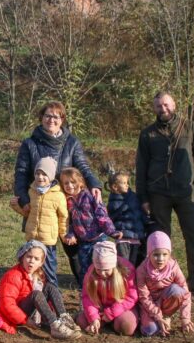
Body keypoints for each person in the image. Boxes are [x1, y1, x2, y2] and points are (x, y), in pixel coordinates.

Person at [135, 92, 194, 295]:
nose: (163, 109)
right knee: (160, 239)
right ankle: (161, 279)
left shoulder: (190, 127)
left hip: (185, 192)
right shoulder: (147, 134)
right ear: (154, 109)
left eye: (166, 105)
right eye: (159, 106)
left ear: (174, 104)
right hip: (157, 193)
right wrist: (143, 198)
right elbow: (141, 167)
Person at [14, 101, 103, 283]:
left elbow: (83, 167)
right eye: (48, 115)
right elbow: (21, 173)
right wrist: (24, 200)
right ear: (41, 118)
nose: (51, 120)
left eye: (56, 116)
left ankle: (84, 286)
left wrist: (94, 183)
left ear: (62, 119)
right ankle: (43, 291)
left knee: (74, 248)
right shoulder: (30, 144)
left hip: (69, 203)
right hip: (41, 204)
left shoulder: (72, 142)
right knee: (42, 250)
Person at [0, 240, 82, 340]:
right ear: (22, 257)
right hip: (19, 314)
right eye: (29, 257)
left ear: (41, 262)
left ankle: (64, 318)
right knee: (36, 294)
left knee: (50, 287)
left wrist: (49, 312)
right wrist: (25, 320)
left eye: (36, 259)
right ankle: (55, 326)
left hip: (31, 309)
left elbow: (44, 299)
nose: (31, 261)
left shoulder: (38, 275)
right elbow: (7, 304)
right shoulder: (13, 276)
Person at [9, 157, 68, 287]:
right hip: (32, 238)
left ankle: (53, 295)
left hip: (47, 240)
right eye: (37, 173)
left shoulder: (58, 195)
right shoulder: (32, 191)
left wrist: (63, 234)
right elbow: (27, 213)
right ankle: (35, 295)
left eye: (44, 174)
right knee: (32, 270)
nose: (40, 177)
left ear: (51, 177)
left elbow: (63, 217)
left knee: (49, 270)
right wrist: (16, 207)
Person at [59, 167, 122, 287]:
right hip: (83, 242)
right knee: (85, 269)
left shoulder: (90, 196)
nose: (70, 186)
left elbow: (102, 215)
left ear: (80, 182)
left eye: (73, 182)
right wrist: (71, 233)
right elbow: (72, 222)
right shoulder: (69, 201)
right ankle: (85, 294)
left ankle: (106, 290)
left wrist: (112, 231)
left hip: (98, 238)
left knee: (102, 265)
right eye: (66, 183)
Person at [136, 231, 194, 337]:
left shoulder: (173, 267)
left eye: (165, 254)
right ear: (149, 254)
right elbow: (144, 297)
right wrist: (158, 317)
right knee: (150, 331)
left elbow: (185, 292)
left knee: (177, 290)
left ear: (169, 254)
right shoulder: (141, 270)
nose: (161, 259)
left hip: (165, 301)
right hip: (149, 305)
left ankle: (167, 315)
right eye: (156, 255)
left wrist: (185, 318)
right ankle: (146, 319)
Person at [77, 240, 138, 336]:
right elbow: (87, 297)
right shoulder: (91, 273)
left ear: (113, 266)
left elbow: (131, 297)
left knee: (127, 326)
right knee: (82, 321)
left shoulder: (127, 271)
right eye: (98, 269)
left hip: (122, 309)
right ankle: (101, 324)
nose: (102, 273)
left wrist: (111, 313)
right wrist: (94, 317)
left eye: (106, 270)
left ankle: (112, 323)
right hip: (101, 309)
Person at [105, 171, 145, 265]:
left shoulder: (134, 197)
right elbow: (110, 220)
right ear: (115, 187)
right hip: (123, 237)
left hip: (136, 236)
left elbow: (139, 212)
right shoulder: (113, 203)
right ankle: (124, 279)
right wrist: (114, 233)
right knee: (124, 263)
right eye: (124, 183)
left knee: (135, 262)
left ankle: (134, 279)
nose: (127, 185)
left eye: (127, 182)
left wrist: (145, 221)